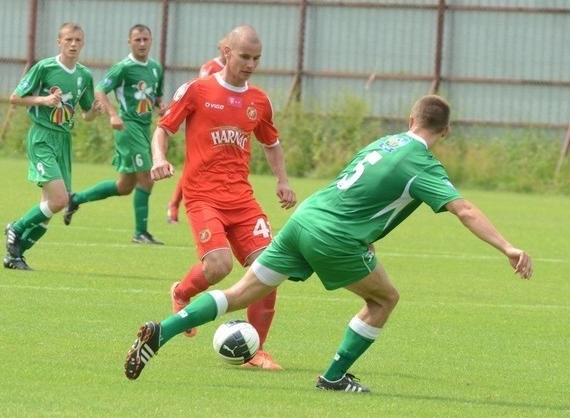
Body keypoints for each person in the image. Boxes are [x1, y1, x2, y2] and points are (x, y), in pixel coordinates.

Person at [124, 94, 533, 391]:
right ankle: (334, 377)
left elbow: (358, 191)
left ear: (410, 118)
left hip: (305, 219)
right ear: (445, 131)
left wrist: (365, 238)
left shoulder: (382, 143)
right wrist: (508, 247)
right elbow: (465, 210)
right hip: (333, 236)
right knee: (383, 300)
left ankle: (163, 331)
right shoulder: (422, 163)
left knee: (236, 293)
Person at [147, 25, 297, 370]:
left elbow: (271, 143)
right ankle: (183, 292)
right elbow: (163, 128)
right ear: (226, 52)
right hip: (203, 197)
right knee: (219, 266)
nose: (250, 64)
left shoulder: (259, 100)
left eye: (256, 58)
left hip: (242, 199)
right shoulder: (197, 90)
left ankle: (256, 351)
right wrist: (159, 158)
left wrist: (282, 181)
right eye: (244, 56)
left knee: (269, 270)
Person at [4, 22, 102, 270]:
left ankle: (15, 256)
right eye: (68, 39)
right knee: (59, 199)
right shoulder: (45, 67)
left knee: (49, 209)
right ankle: (15, 227)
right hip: (42, 137)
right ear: (59, 42)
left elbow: (86, 114)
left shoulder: (84, 75)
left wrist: (96, 112)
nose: (73, 44)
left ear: (83, 44)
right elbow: (15, 97)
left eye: (78, 40)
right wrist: (43, 99)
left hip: (64, 141)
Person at [62, 24, 165, 245]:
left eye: (145, 39)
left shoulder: (156, 68)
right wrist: (112, 114)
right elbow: (100, 90)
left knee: (125, 186)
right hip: (128, 128)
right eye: (137, 40)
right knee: (147, 179)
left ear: (151, 40)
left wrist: (162, 107)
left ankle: (75, 199)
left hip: (144, 128)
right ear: (129, 42)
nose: (142, 43)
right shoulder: (123, 68)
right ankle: (140, 233)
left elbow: (155, 97)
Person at [166, 34, 227, 224]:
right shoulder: (211, 67)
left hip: (224, 129)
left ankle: (218, 209)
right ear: (221, 48)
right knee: (195, 165)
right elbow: (202, 94)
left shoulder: (236, 69)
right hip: (204, 126)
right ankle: (174, 205)